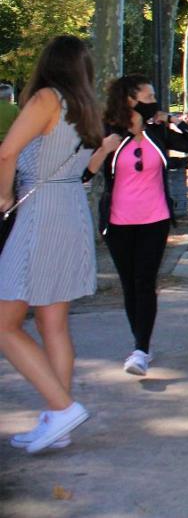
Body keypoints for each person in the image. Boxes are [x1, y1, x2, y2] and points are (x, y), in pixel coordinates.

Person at [0, 36, 104, 454]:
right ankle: (58, 419)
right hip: (71, 210)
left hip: (40, 210)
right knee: (53, 323)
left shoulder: (46, 98)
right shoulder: (86, 107)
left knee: (5, 323)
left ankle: (61, 408)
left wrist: (4, 196)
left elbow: (7, 152)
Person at [87, 74, 188, 378]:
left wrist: (173, 120)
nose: (154, 99)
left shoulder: (158, 132)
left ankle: (140, 348)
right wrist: (104, 148)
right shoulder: (110, 133)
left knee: (145, 281)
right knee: (129, 285)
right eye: (148, 94)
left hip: (154, 220)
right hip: (118, 223)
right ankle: (140, 342)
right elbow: (86, 171)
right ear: (130, 98)